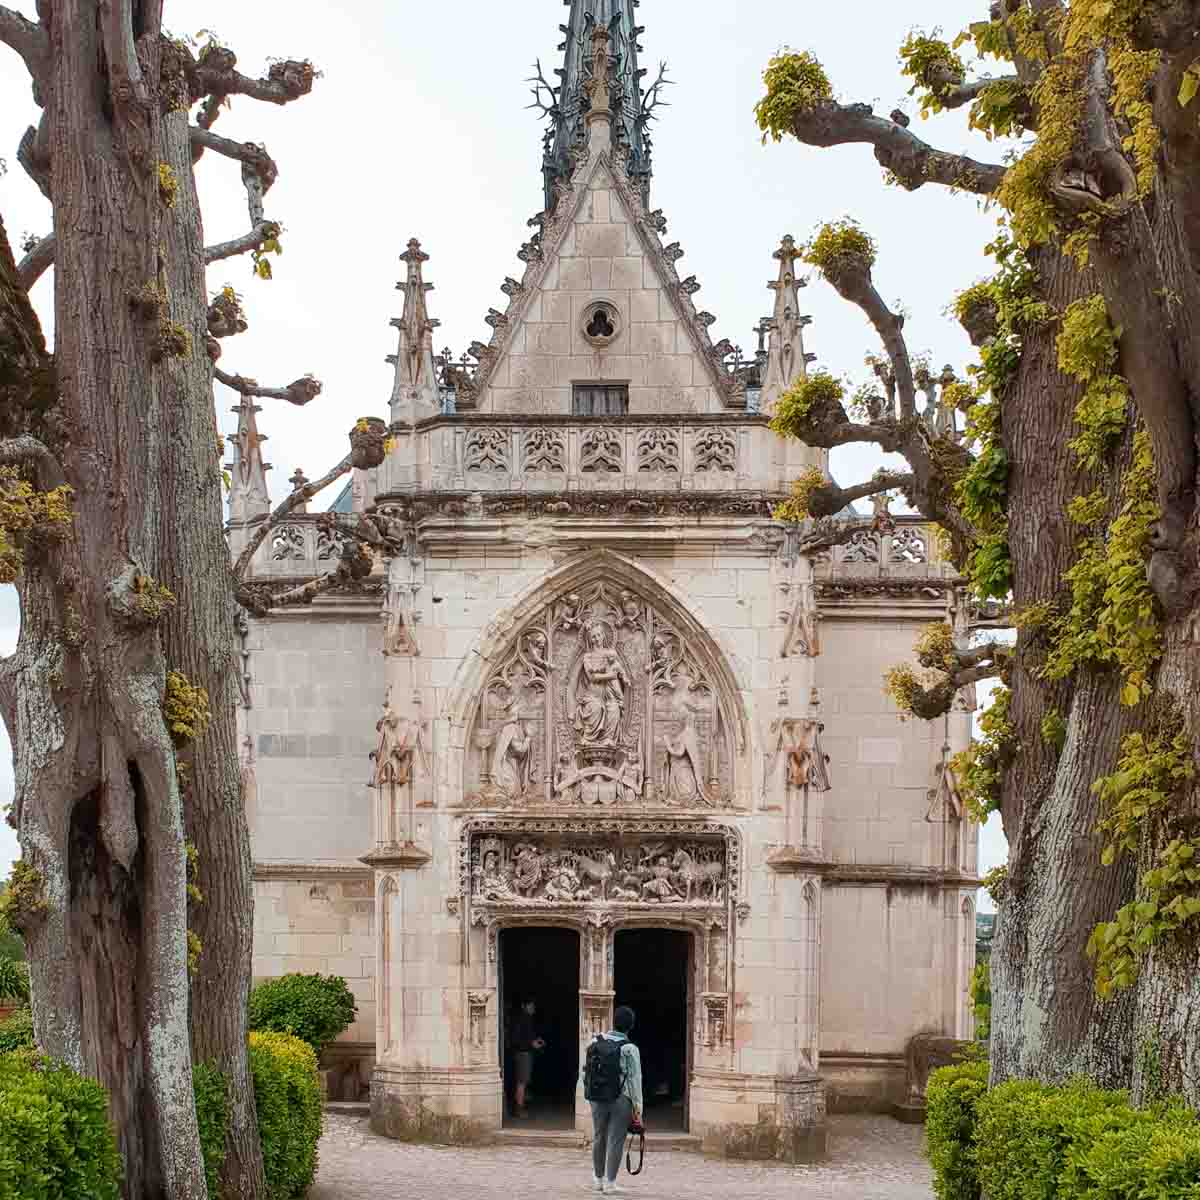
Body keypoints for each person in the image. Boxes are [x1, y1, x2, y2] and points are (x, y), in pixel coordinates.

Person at [582, 1006, 643, 1194]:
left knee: (599, 1136)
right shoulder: (630, 1048)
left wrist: (589, 1093)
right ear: (630, 1026)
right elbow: (635, 1080)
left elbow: (586, 1071)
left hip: (597, 1096)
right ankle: (610, 1183)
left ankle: (597, 1180)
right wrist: (638, 1107)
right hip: (620, 1098)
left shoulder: (595, 1041)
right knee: (616, 1139)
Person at [509, 998, 544, 1119]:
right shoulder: (524, 1019)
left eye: (533, 1006)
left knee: (522, 1082)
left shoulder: (524, 1019)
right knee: (521, 1082)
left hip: (522, 1053)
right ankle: (519, 1109)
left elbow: (525, 1037)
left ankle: (519, 1107)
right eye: (531, 1006)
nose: (533, 1008)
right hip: (523, 1054)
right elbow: (519, 1039)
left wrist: (534, 1041)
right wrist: (532, 1044)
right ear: (524, 1006)